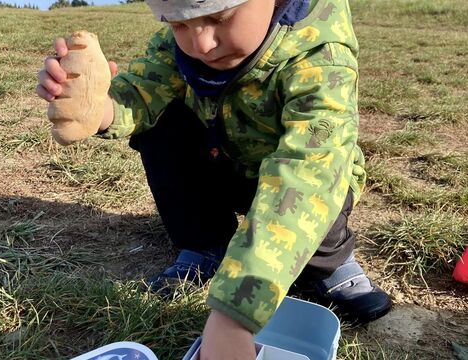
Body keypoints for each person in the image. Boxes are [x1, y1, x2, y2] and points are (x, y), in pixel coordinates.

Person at [37, 0, 393, 358]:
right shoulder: (183, 45)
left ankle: (330, 263)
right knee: (162, 122)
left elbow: (308, 172)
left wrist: (236, 313)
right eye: (179, 24)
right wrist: (97, 108)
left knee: (313, 204)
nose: (201, 43)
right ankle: (207, 243)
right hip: (225, 164)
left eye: (220, 17)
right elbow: (144, 93)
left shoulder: (322, 55)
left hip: (306, 182)